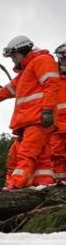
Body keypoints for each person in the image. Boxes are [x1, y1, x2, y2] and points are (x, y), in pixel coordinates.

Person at [0, 35, 60, 190]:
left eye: (14, 56)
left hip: (38, 119)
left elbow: (52, 85)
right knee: (41, 157)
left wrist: (47, 110)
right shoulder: (26, 71)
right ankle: (43, 185)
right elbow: (8, 90)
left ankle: (14, 186)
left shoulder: (42, 61)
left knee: (26, 154)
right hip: (34, 120)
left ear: (23, 51)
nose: (13, 60)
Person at [48, 42, 66, 183]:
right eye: (63, 59)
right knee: (55, 157)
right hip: (56, 127)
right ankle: (59, 187)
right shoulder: (51, 77)